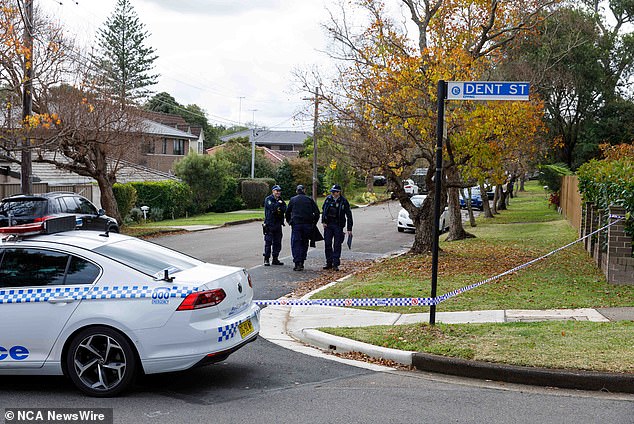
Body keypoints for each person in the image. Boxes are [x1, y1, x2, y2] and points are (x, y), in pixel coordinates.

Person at [285, 185, 320, 271]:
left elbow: (287, 212)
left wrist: (290, 222)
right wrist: (313, 223)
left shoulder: (293, 200)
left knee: (296, 243)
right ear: (304, 190)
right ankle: (302, 261)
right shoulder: (309, 199)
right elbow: (317, 213)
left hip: (296, 225)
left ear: (297, 191)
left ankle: (297, 263)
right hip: (307, 225)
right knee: (304, 243)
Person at [321, 184, 353, 271]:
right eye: (332, 192)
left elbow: (349, 215)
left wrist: (349, 228)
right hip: (328, 225)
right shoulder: (328, 199)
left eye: (334, 192)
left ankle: (335, 263)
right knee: (327, 243)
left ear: (338, 192)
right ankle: (329, 262)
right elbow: (324, 210)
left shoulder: (343, 201)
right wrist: (323, 221)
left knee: (337, 244)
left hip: (338, 225)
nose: (332, 193)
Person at [262, 185, 286, 266]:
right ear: (273, 191)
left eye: (279, 191)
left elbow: (284, 208)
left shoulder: (281, 199)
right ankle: (266, 259)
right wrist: (278, 204)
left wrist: (279, 205)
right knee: (268, 242)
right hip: (269, 224)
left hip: (278, 224)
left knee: (277, 242)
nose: (278, 192)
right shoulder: (268, 199)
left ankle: (275, 259)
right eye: (276, 191)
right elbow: (272, 207)